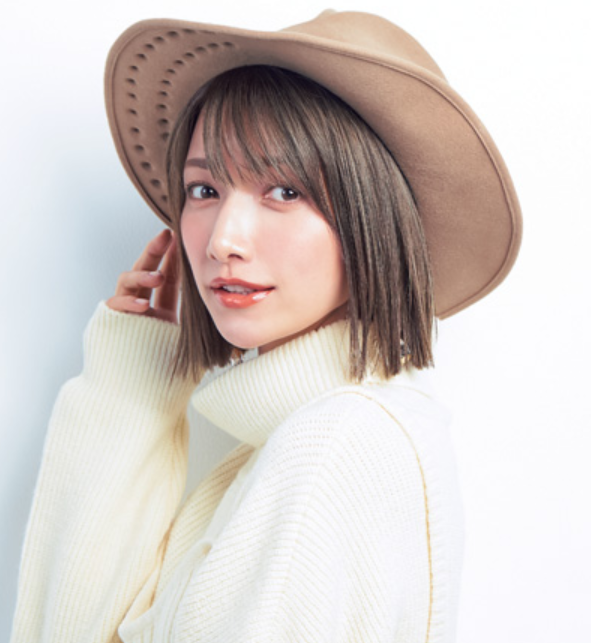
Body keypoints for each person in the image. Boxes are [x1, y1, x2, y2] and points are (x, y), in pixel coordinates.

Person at [9, 9, 522, 643]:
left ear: (373, 219)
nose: (222, 239)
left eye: (283, 191)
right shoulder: (291, 442)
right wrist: (131, 387)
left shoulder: (331, 448)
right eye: (204, 190)